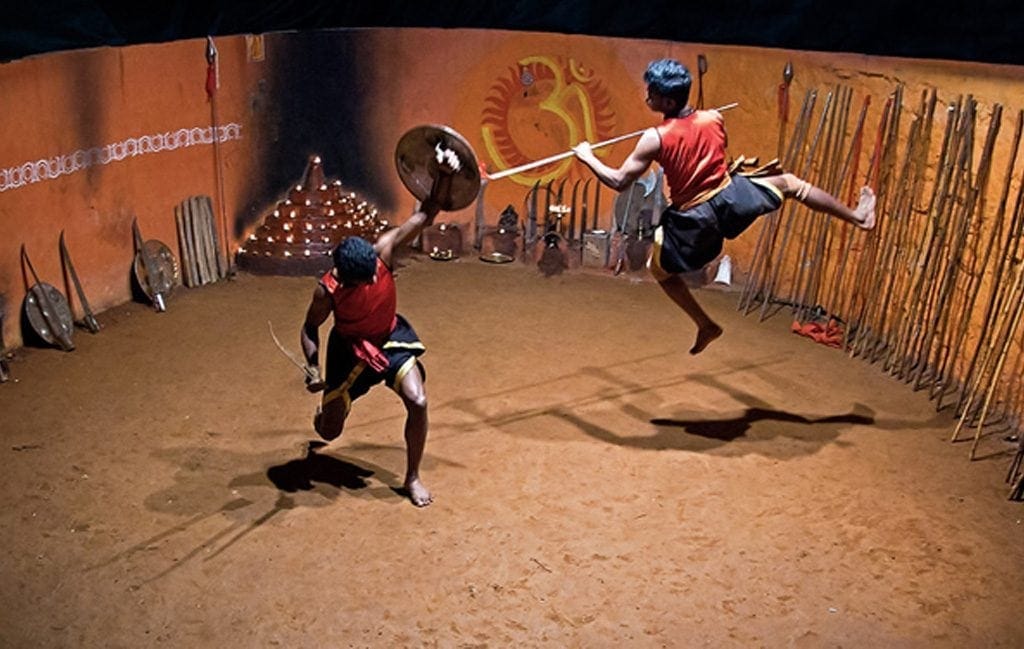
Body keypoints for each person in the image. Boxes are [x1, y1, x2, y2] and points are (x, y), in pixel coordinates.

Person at [573, 58, 876, 355]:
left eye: (651, 92)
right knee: (791, 184)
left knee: (660, 270)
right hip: (730, 199)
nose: (646, 96)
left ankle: (705, 323)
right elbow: (718, 148)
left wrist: (587, 156)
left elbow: (618, 181)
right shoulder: (713, 118)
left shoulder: (654, 139)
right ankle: (857, 216)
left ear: (666, 101)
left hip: (696, 217)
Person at [299, 163, 455, 507]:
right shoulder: (328, 290)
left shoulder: (384, 250)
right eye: (364, 280)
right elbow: (310, 328)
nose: (373, 281)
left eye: (374, 274)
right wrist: (312, 368)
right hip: (349, 350)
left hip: (390, 338)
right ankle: (324, 414)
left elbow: (427, 213)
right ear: (344, 276)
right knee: (328, 432)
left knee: (419, 401)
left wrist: (443, 172)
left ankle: (412, 477)